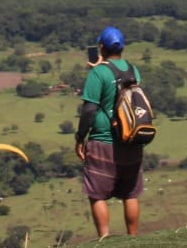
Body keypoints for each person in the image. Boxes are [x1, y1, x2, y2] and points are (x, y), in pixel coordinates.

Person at [73, 26, 143, 238]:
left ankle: (104, 239)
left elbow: (89, 110)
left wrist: (80, 138)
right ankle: (133, 238)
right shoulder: (133, 70)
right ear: (122, 47)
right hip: (131, 139)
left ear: (101, 47)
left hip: (103, 141)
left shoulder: (98, 73)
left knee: (97, 194)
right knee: (130, 193)